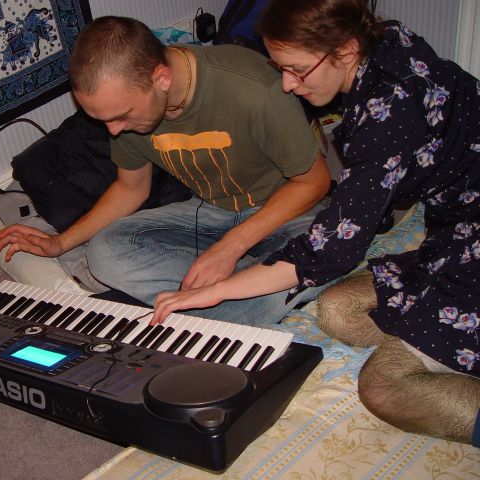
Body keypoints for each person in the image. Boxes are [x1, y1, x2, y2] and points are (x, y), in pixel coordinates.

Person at [151, 0, 480, 446]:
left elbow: (330, 250)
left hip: (470, 248)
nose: (288, 84)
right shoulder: (386, 39)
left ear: (346, 49)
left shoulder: (390, 111)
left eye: (298, 70)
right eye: (280, 68)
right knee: (337, 310)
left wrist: (218, 289)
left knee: (383, 387)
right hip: (456, 234)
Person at [0, 15, 332, 324]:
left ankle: (229, 296)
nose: (114, 130)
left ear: (162, 79)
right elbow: (131, 188)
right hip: (211, 213)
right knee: (105, 253)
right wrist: (60, 242)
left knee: (325, 252)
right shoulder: (125, 113)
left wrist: (230, 248)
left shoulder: (253, 90)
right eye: (104, 120)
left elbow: (314, 181)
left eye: (122, 115)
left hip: (285, 211)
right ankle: (248, 286)